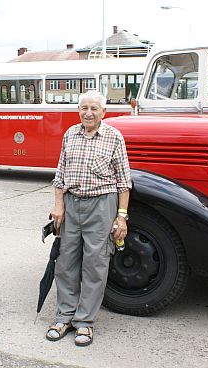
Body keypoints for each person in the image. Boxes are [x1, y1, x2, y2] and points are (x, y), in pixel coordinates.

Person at [46, 90, 132, 347]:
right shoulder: (70, 134)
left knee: (95, 264)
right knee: (66, 262)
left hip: (101, 205)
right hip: (72, 204)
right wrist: (58, 207)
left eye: (94, 108)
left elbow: (124, 183)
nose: (88, 112)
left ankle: (84, 322)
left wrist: (121, 218)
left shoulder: (114, 137)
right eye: (84, 107)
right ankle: (64, 316)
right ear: (79, 111)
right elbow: (60, 175)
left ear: (103, 112)